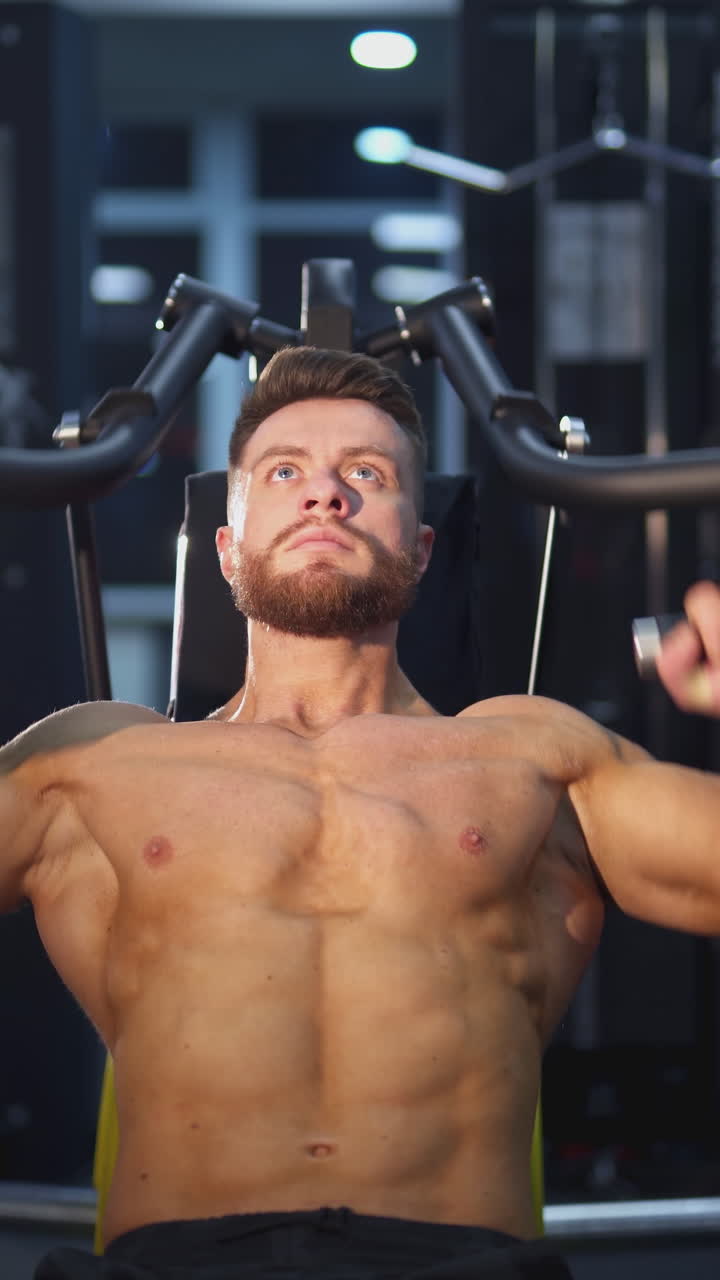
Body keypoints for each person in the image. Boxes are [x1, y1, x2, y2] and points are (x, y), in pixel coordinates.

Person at [2, 346, 720, 1280]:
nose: (324, 495)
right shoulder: (97, 760)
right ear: (227, 545)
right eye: (286, 471)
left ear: (421, 547)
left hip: (455, 1261)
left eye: (366, 475)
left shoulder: (533, 755)